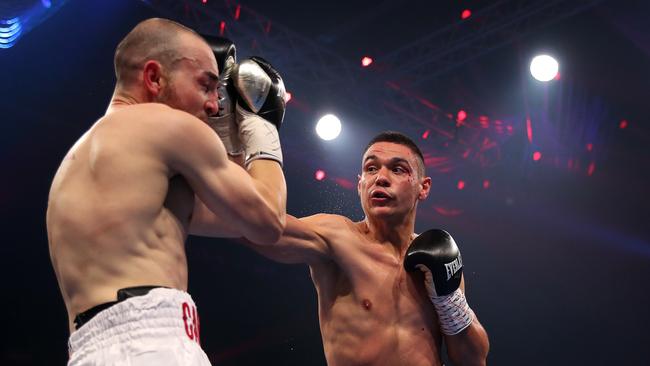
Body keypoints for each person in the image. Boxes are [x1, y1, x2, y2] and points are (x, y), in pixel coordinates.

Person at [46, 18, 287, 365]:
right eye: (206, 85)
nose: (214, 105)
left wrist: (227, 140)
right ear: (154, 77)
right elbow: (268, 219)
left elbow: (238, 217)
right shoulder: (169, 125)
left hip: (91, 351)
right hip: (152, 346)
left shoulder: (81, 164)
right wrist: (260, 123)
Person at [247, 131, 489, 365]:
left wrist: (448, 299)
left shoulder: (437, 257)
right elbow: (258, 226)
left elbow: (473, 360)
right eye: (371, 168)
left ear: (423, 188)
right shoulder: (337, 237)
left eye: (397, 169)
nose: (380, 177)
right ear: (360, 184)